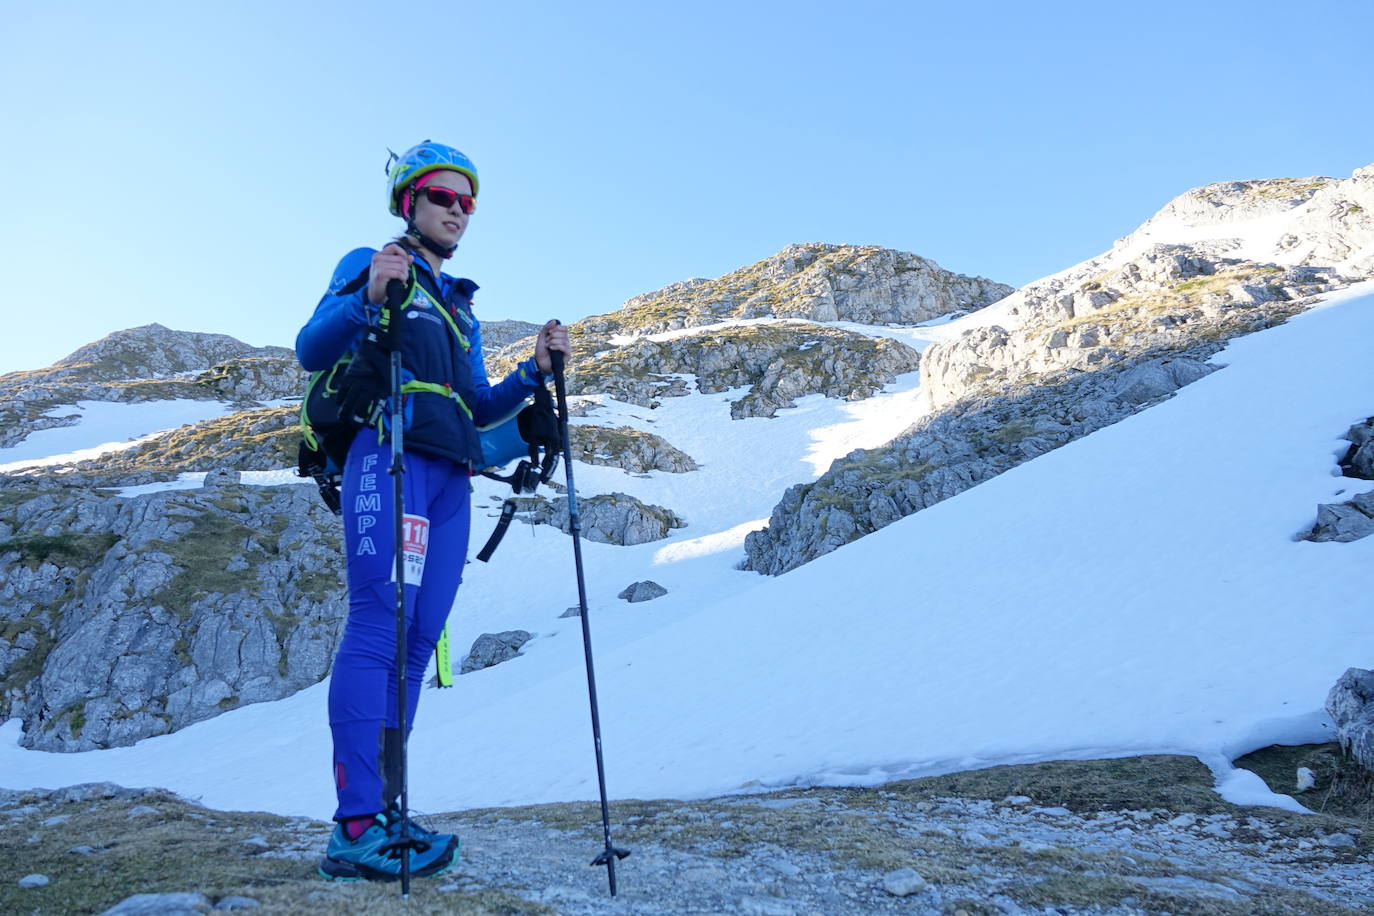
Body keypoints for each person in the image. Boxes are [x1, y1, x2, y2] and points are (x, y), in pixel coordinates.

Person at [295, 141, 570, 881]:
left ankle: (388, 808)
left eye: (468, 202)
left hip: (450, 477)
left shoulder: (459, 308)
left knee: (419, 640)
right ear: (409, 201)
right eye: (443, 197)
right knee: (378, 622)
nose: (457, 211)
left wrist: (533, 377)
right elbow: (310, 347)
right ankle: (354, 825)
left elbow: (475, 408)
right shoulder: (373, 260)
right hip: (387, 456)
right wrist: (367, 296)